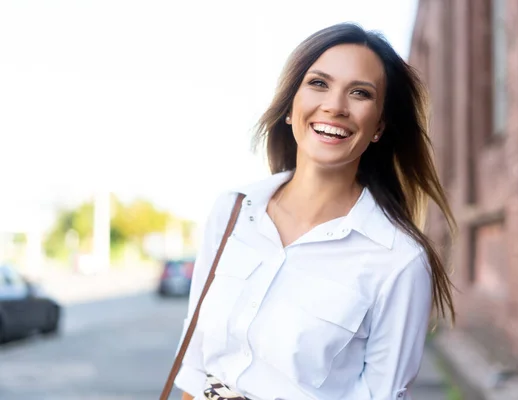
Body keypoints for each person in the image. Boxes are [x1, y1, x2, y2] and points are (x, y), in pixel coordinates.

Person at [175, 23, 456, 400]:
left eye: (360, 93)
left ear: (379, 127)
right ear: (291, 106)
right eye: (319, 84)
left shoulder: (398, 260)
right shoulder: (233, 210)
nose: (335, 106)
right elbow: (194, 367)